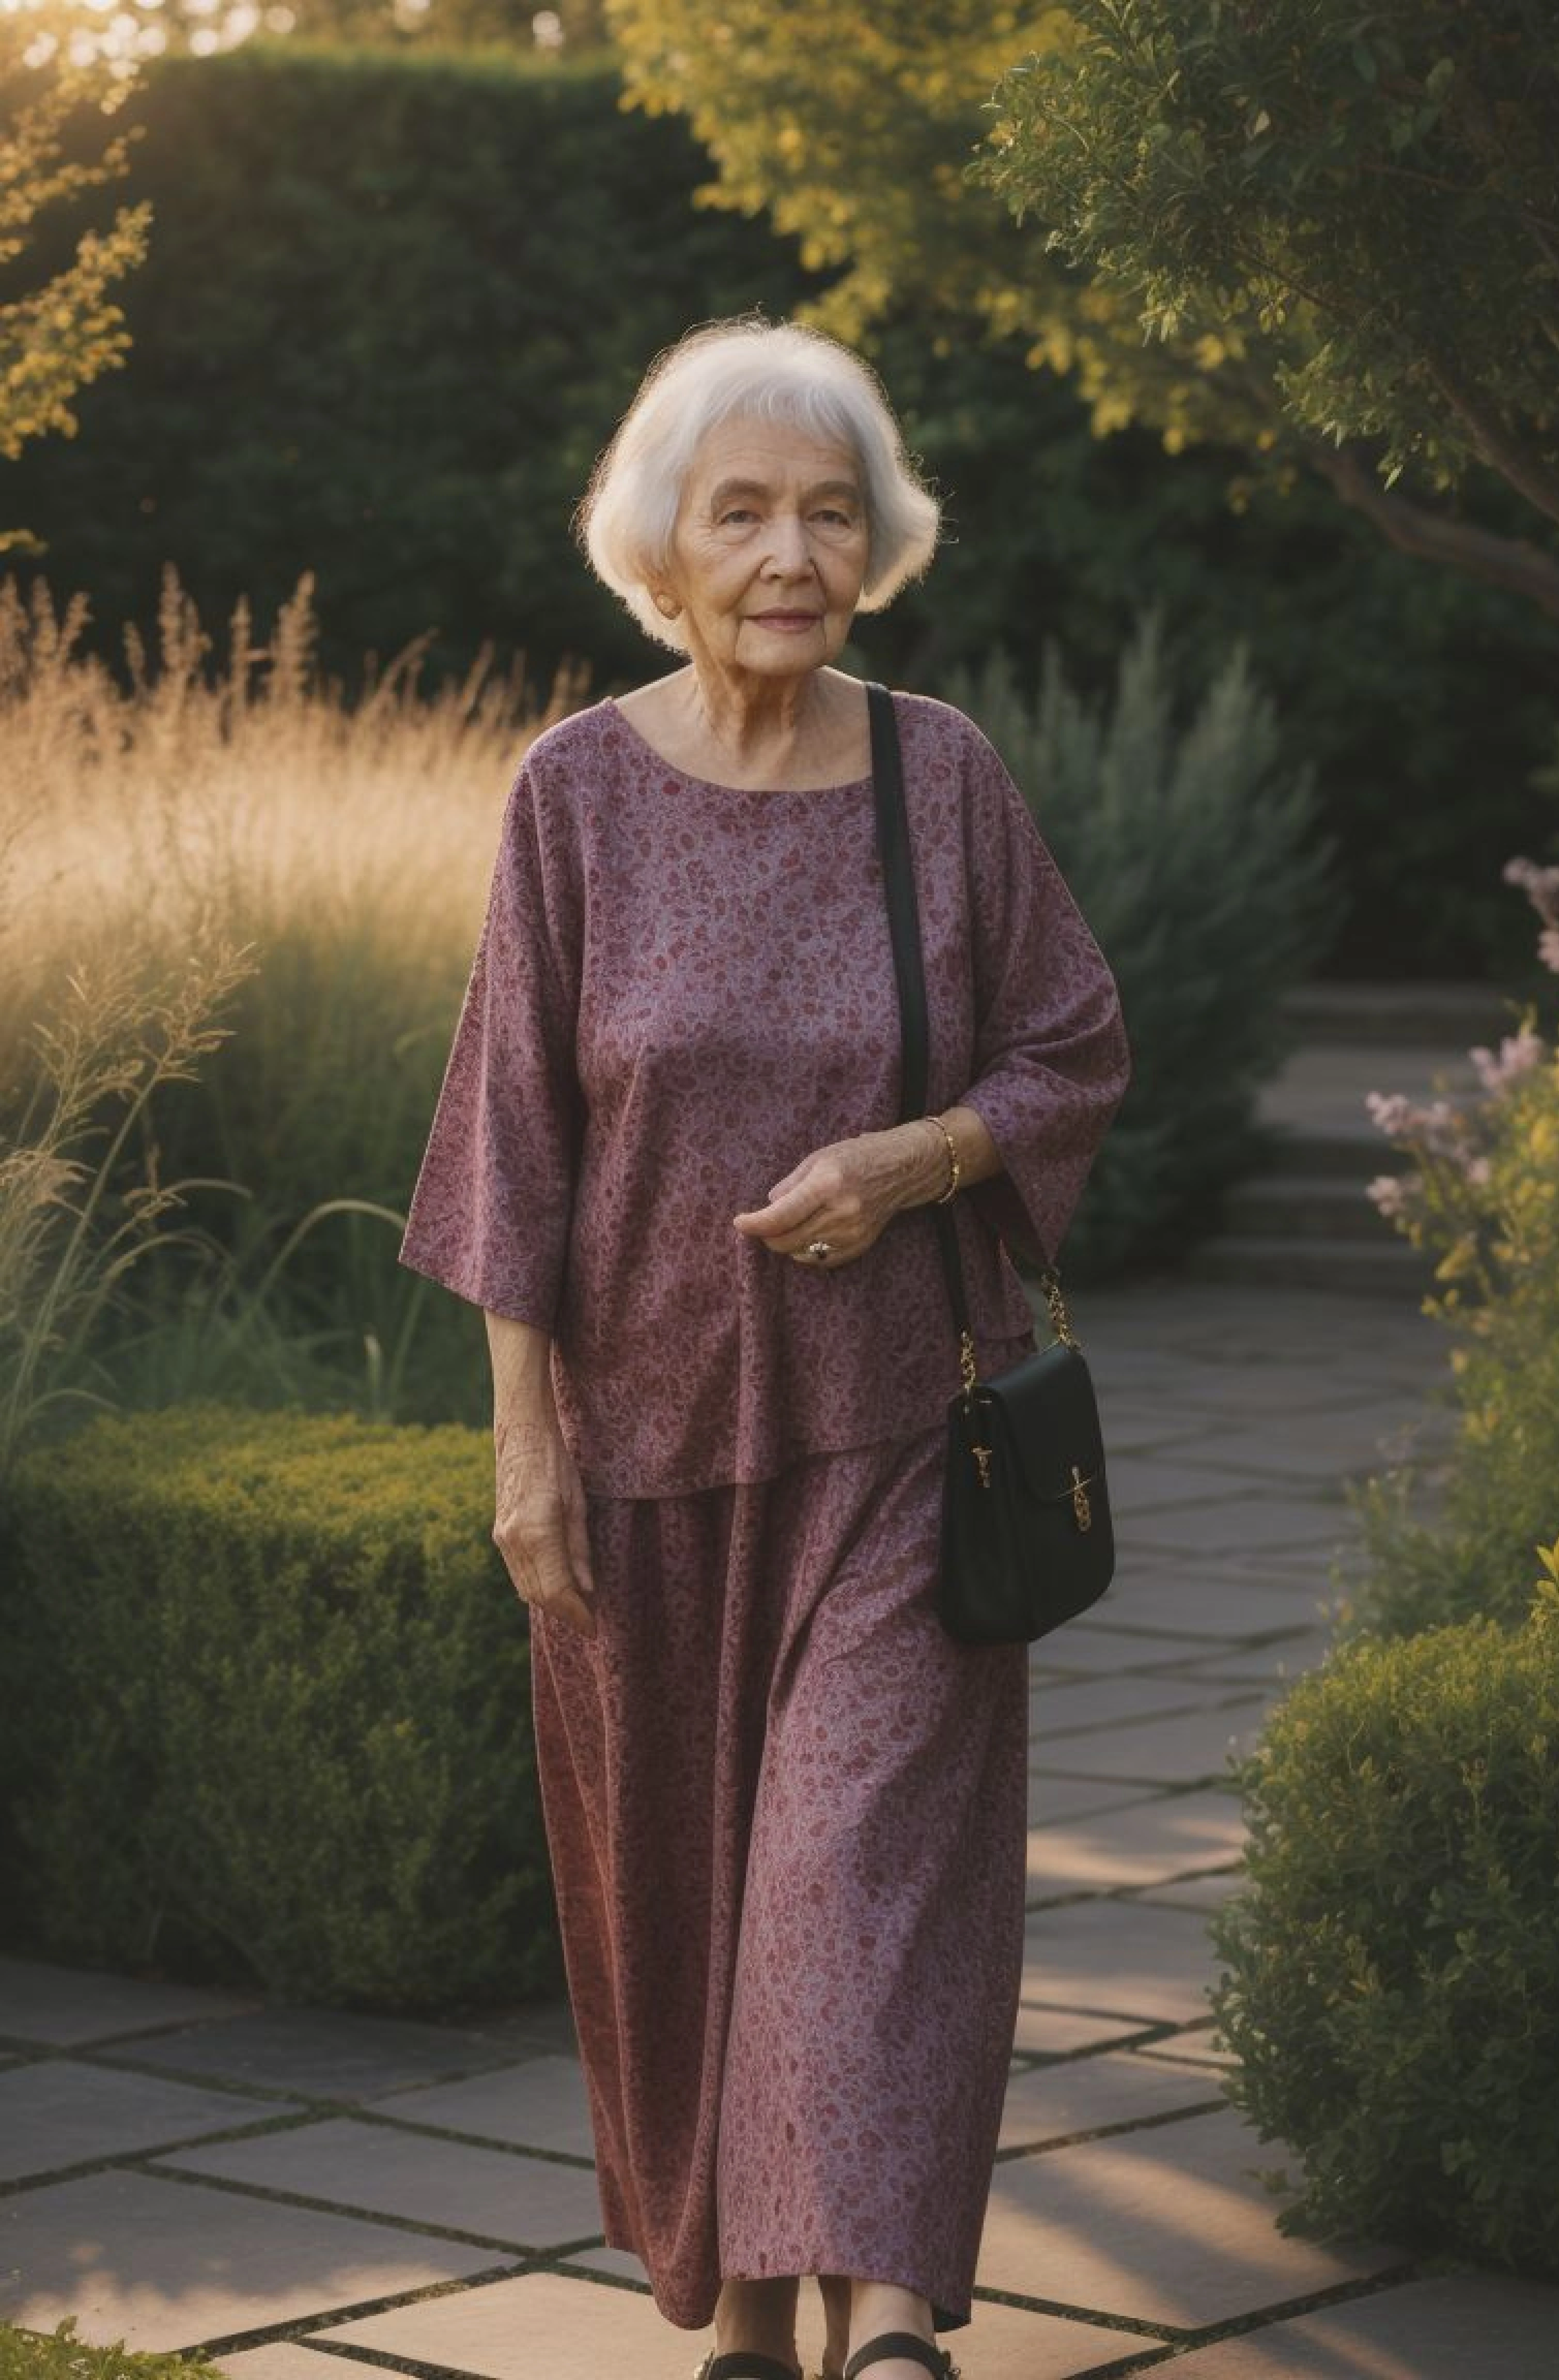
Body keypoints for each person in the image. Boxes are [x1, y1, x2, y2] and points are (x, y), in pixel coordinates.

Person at [397, 316, 1130, 2380]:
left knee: (850, 1875)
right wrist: (523, 1447)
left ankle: (884, 2325)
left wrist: (916, 1159)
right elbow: (509, 1144)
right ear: (664, 546)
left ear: (877, 541)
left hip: (906, 1434)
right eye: (744, 513)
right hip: (641, 1455)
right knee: (692, 1910)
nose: (789, 551)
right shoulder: (573, 799)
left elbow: (1071, 1042)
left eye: (828, 510)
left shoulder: (941, 775)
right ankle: (748, 2312)